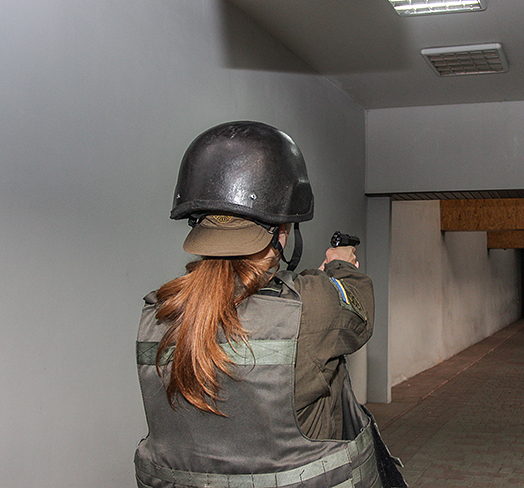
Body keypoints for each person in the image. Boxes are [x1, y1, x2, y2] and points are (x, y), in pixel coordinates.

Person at [134, 121, 406, 488]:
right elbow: (360, 312)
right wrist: (340, 265)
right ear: (282, 230)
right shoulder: (311, 304)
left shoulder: (158, 312)